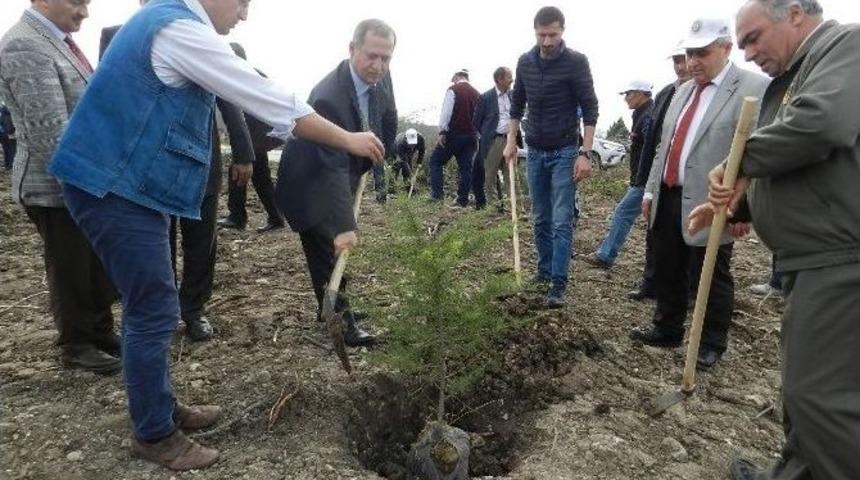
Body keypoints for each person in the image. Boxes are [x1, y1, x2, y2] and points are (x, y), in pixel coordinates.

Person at [47, 0, 385, 470]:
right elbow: (261, 93)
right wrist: (347, 138)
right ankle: (153, 433)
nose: (244, 15)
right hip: (111, 183)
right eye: (243, 2)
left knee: (156, 302)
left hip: (124, 182)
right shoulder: (180, 31)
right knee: (154, 308)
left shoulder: (167, 24)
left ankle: (161, 407)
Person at [687, 1, 860, 478]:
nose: (747, 53)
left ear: (796, 15)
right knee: (807, 394)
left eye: (753, 38)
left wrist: (740, 159)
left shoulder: (846, 45)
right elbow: (800, 163)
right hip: (811, 258)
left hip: (841, 259)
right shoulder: (795, 77)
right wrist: (739, 203)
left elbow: (822, 125)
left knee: (821, 398)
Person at [102, 3, 257, 343]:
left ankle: (194, 309)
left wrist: (244, 153)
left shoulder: (207, 39)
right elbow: (112, 103)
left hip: (201, 162)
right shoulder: (117, 37)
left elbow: (230, 100)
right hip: (149, 166)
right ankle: (163, 309)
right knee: (158, 244)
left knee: (202, 242)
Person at [630, 18, 768, 370]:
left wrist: (743, 210)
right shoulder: (681, 90)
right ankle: (667, 328)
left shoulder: (753, 87)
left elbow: (761, 152)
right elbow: (665, 145)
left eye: (701, 53)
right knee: (667, 264)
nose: (693, 62)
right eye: (689, 53)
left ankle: (710, 343)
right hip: (668, 191)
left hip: (714, 201)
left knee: (710, 273)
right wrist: (649, 192)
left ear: (726, 48)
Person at [0, 0, 121, 374]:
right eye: (77, 2)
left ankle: (100, 332)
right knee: (70, 264)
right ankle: (77, 344)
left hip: (85, 178)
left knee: (93, 260)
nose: (84, 12)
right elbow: (50, 133)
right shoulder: (25, 45)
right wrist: (95, 179)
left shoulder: (57, 41)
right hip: (55, 184)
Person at [276, 19, 399, 348]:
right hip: (308, 181)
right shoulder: (329, 96)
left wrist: (379, 152)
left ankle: (331, 309)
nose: (378, 66)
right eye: (371, 56)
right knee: (329, 250)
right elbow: (330, 168)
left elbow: (387, 115)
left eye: (386, 58)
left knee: (333, 248)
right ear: (352, 49)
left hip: (340, 171)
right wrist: (345, 226)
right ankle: (341, 323)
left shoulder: (381, 78)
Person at [503, 6, 599, 308]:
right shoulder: (525, 62)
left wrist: (585, 152)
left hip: (564, 151)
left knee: (561, 219)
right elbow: (516, 105)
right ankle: (543, 273)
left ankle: (558, 282)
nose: (547, 41)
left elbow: (590, 108)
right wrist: (510, 142)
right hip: (534, 151)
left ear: (562, 32)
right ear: (535, 31)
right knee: (540, 218)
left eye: (553, 35)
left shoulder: (576, 62)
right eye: (542, 35)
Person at [626, 47, 692, 301]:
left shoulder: (706, 93)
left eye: (684, 59)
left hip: (690, 179)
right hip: (660, 172)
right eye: (676, 60)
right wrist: (646, 180)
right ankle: (651, 285)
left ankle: (687, 293)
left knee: (688, 239)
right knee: (655, 233)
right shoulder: (667, 93)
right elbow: (656, 140)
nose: (680, 65)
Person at [582, 80, 654, 269]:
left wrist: (645, 181)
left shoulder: (647, 117)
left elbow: (653, 150)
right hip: (643, 180)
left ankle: (606, 255)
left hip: (646, 181)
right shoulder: (642, 114)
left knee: (623, 212)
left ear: (640, 93)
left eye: (628, 94)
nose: (625, 98)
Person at [218, 43, 287, 233]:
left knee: (239, 171)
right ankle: (276, 217)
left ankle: (237, 217)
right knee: (260, 175)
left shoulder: (246, 76)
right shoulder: (244, 75)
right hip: (258, 135)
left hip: (258, 133)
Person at [428, 69, 481, 207]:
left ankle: (437, 196)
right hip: (472, 137)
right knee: (466, 168)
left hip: (455, 134)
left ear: (457, 77)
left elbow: (446, 111)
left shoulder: (453, 90)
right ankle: (462, 200)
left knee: (436, 161)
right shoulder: (477, 94)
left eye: (454, 79)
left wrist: (442, 131)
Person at [473, 66, 518, 212]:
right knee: (490, 175)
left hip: (511, 140)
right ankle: (492, 210)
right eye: (509, 76)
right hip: (494, 140)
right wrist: (488, 135)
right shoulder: (486, 98)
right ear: (499, 79)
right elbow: (476, 121)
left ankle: (515, 209)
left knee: (511, 175)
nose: (512, 79)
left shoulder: (513, 95)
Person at [0, 103, 15, 170]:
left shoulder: (2, 112)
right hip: (8, 134)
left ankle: (7, 165)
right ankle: (10, 165)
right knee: (11, 150)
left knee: (6, 149)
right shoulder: (7, 113)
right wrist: (10, 132)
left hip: (2, 134)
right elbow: (8, 123)